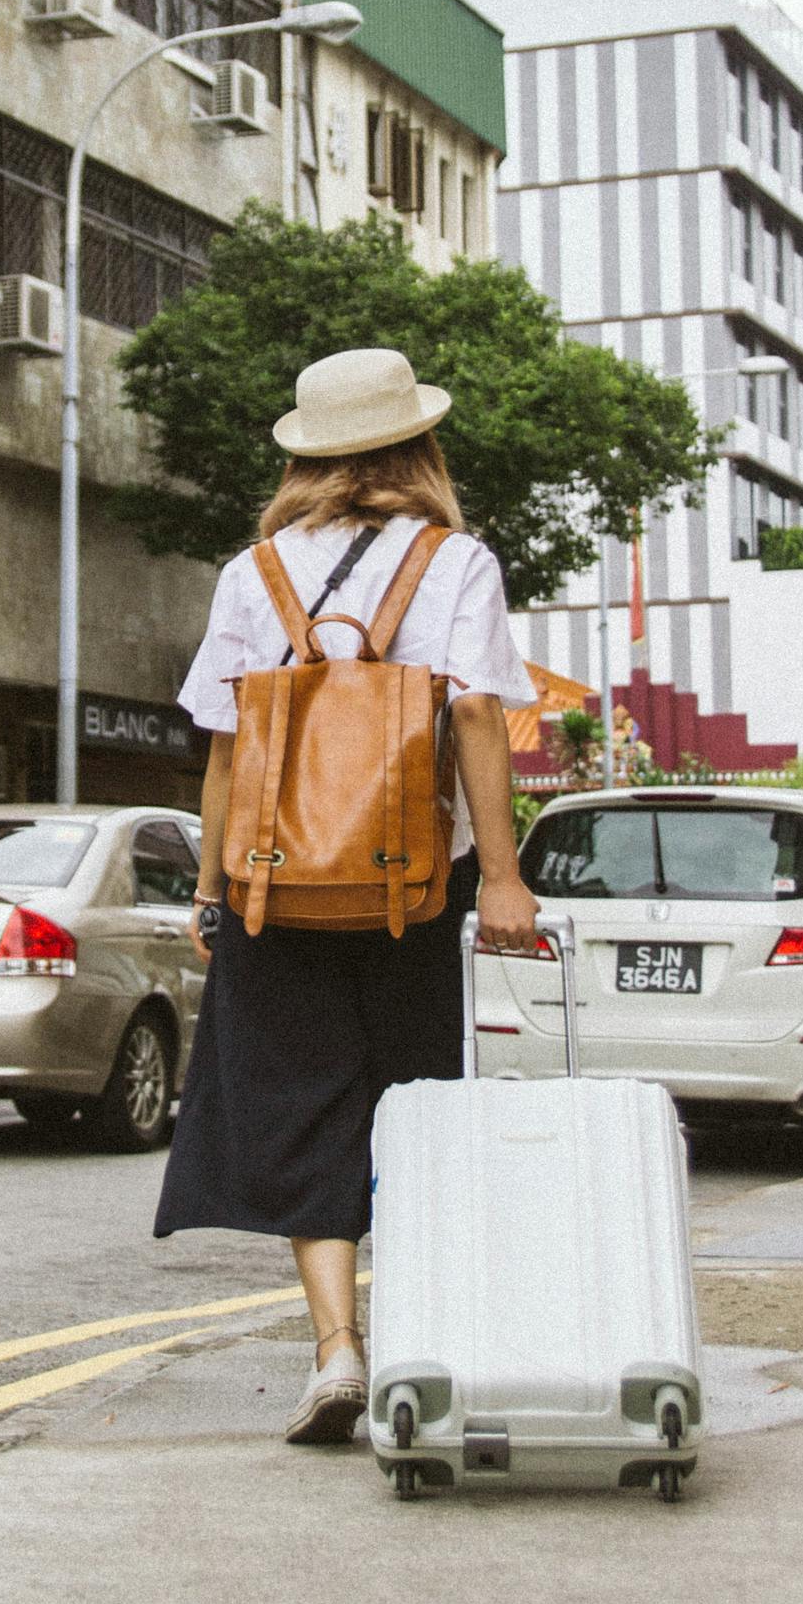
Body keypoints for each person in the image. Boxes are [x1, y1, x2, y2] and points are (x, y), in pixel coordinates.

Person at [154, 346, 541, 1446]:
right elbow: (474, 717)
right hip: (407, 885)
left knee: (294, 1102)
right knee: (407, 1102)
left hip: (275, 882)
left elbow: (227, 742)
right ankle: (413, 1334)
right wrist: (504, 878)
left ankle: (335, 1349)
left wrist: (213, 889)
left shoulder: (255, 571)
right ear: (418, 445)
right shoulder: (455, 560)